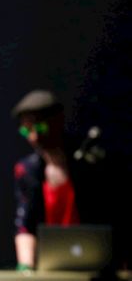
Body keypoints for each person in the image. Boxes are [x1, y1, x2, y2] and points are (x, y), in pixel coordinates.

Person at [11, 89, 118, 270]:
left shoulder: (88, 161)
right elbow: (25, 223)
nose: (34, 137)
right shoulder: (28, 170)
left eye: (40, 128)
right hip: (50, 263)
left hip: (95, 264)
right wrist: (25, 267)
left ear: (57, 121)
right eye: (26, 130)